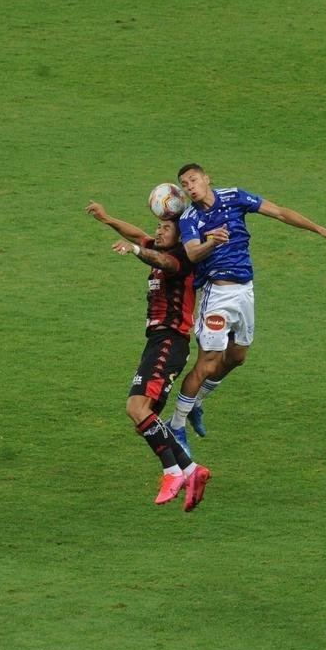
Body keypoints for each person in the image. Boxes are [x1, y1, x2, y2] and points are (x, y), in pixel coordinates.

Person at [166, 163, 326, 445]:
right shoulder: (190, 218)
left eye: (193, 180)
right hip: (217, 295)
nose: (190, 186)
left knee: (237, 357)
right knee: (206, 364)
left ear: (207, 178)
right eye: (185, 183)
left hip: (245, 291)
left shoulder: (234, 196)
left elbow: (278, 212)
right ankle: (176, 426)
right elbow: (191, 253)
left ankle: (197, 403)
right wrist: (213, 242)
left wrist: (319, 229)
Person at [86, 201, 211, 511]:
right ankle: (192, 471)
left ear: (181, 236)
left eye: (165, 228)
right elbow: (138, 233)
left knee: (137, 407)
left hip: (170, 341)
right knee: (144, 414)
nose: (158, 230)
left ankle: (172, 472)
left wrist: (135, 251)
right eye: (158, 226)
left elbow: (162, 261)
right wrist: (107, 218)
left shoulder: (180, 258)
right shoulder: (157, 246)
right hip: (158, 342)